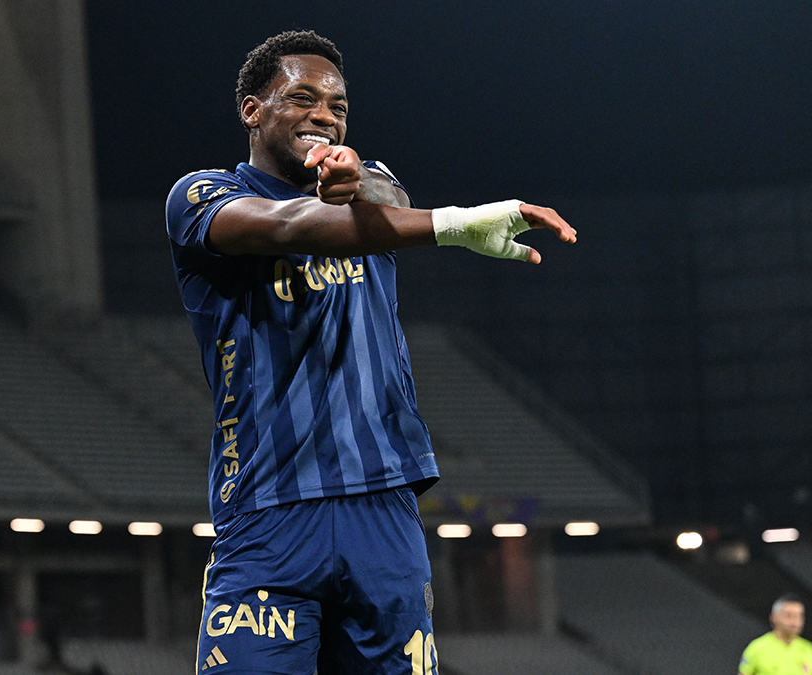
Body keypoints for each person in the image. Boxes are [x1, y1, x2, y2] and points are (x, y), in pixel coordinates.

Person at [165, 30, 576, 674]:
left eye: (337, 106)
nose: (323, 115)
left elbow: (390, 203)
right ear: (252, 109)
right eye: (302, 98)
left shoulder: (374, 191)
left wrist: (358, 181)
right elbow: (290, 224)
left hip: (383, 508)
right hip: (267, 511)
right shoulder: (200, 196)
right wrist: (458, 224)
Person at [739, 594, 812, 675]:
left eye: (799, 616)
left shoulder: (808, 649)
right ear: (773, 618)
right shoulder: (757, 648)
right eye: (788, 616)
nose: (794, 622)